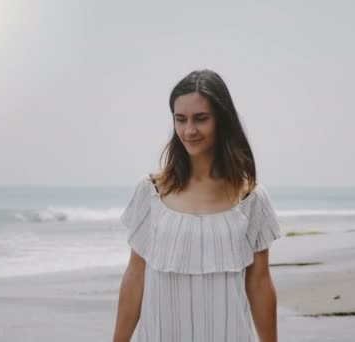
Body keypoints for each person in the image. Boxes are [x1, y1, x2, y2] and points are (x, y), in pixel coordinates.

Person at [113, 69, 282, 342]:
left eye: (200, 119)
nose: (189, 130)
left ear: (222, 121)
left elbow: (260, 283)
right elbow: (135, 276)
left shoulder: (251, 197)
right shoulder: (151, 192)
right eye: (180, 120)